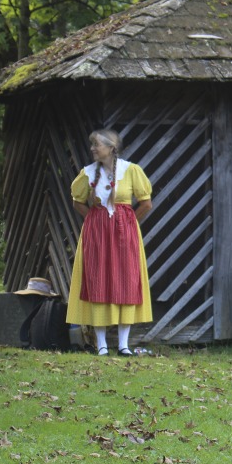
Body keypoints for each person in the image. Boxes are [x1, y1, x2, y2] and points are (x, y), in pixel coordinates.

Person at [66, 129, 153, 356]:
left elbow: (146, 203)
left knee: (126, 280)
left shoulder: (131, 170)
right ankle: (102, 343)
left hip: (125, 234)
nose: (93, 149)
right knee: (98, 280)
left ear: (111, 148)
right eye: (92, 145)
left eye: (97, 145)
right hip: (96, 235)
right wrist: (96, 220)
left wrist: (129, 221)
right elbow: (77, 202)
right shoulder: (88, 173)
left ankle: (124, 344)